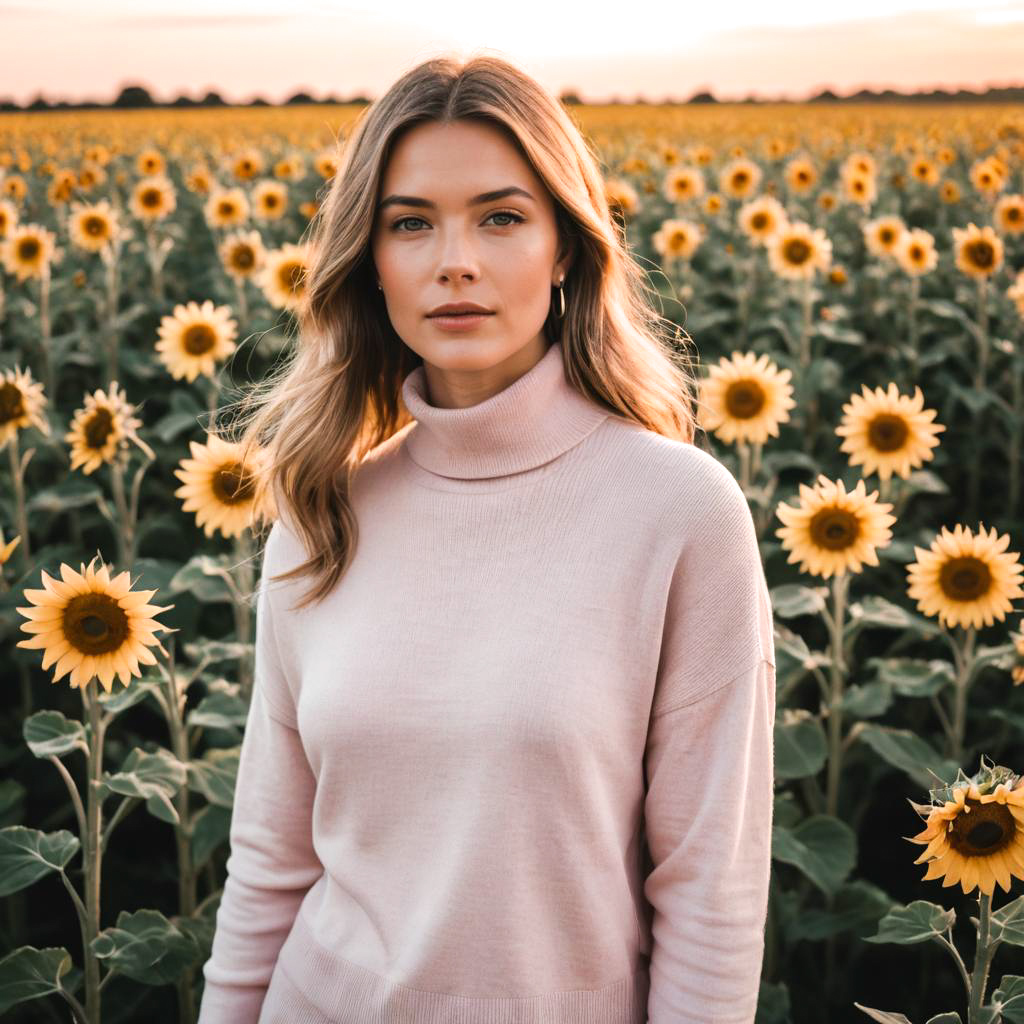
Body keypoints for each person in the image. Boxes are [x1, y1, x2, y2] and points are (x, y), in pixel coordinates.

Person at [197, 51, 776, 1024]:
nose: (451, 259)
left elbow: (710, 893)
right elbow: (269, 861)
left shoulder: (676, 512)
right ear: (369, 259)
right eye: (410, 222)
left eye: (500, 217)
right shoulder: (318, 510)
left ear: (565, 249)